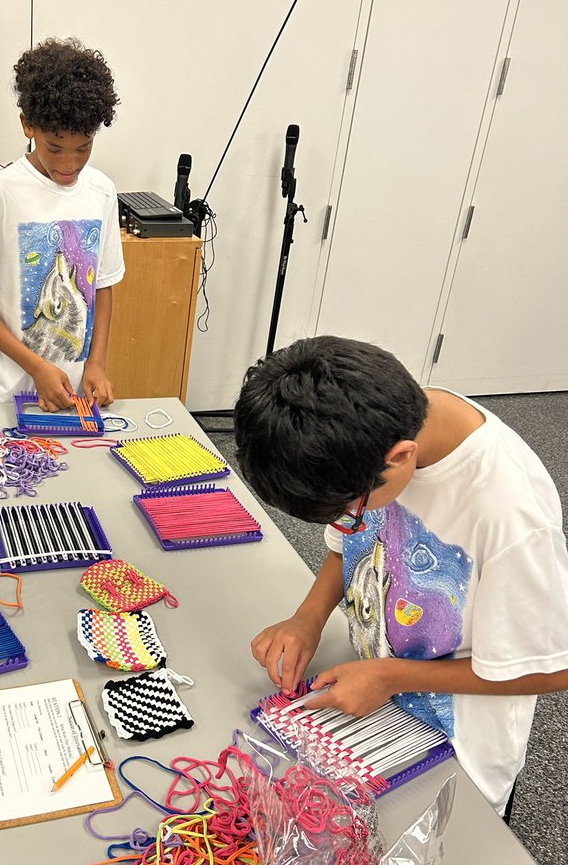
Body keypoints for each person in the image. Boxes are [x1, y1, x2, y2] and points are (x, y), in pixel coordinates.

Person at [234, 335, 568, 815]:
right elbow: (348, 546)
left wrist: (391, 675)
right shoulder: (371, 423)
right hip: (374, 707)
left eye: (348, 510)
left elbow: (552, 668)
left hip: (457, 753)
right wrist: (306, 618)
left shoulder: (511, 514)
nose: (347, 520)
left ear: (400, 457)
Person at [0, 36, 124, 411]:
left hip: (80, 392)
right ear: (28, 126)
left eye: (83, 148)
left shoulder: (102, 191)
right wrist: (37, 367)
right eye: (55, 148)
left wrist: (96, 363)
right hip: (18, 393)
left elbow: (105, 286)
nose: (69, 164)